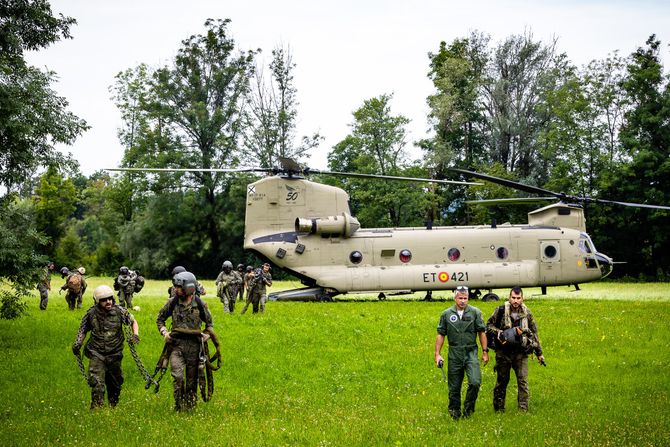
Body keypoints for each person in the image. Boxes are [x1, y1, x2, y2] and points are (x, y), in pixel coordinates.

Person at [72, 285, 140, 409]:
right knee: (97, 383)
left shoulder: (120, 311)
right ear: (97, 301)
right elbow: (83, 330)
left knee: (115, 384)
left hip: (115, 353)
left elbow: (133, 322)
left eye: (110, 299)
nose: (108, 302)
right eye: (104, 300)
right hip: (96, 353)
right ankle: (97, 409)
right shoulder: (91, 313)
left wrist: (135, 335)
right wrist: (78, 343)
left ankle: (112, 406)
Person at [157, 271, 214, 411]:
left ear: (188, 288)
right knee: (178, 377)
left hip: (195, 348)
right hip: (176, 347)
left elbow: (210, 324)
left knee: (191, 381)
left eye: (178, 287)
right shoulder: (172, 302)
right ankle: (178, 405)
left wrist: (207, 334)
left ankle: (189, 407)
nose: (175, 289)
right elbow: (160, 319)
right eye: (175, 287)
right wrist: (165, 332)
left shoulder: (200, 304)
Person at [486, 286, 545, 412]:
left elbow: (534, 333)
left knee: (522, 381)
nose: (515, 300)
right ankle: (499, 409)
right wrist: (501, 333)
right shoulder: (500, 310)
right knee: (502, 382)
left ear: (522, 299)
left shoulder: (527, 313)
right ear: (509, 297)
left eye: (518, 298)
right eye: (513, 297)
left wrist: (539, 353)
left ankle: (523, 410)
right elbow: (489, 325)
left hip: (521, 352)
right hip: (503, 352)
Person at [434, 285, 489, 419]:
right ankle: (455, 413)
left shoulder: (475, 312)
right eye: (460, 298)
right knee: (454, 387)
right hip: (454, 353)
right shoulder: (446, 314)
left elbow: (482, 332)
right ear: (455, 298)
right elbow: (441, 334)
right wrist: (437, 354)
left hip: (471, 352)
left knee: (475, 382)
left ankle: (468, 411)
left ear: (468, 298)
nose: (463, 301)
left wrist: (485, 352)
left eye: (465, 298)